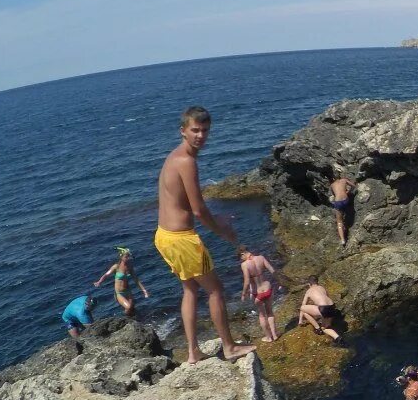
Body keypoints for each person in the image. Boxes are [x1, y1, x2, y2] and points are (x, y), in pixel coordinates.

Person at [154, 107, 254, 364]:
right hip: (181, 239)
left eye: (205, 130)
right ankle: (230, 347)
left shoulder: (173, 157)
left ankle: (193, 352)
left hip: (164, 236)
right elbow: (198, 210)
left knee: (190, 289)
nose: (200, 135)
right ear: (183, 131)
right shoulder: (187, 161)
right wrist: (224, 232)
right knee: (216, 291)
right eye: (195, 130)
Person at [239, 245, 284, 342]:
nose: (241, 259)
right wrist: (279, 282)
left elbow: (247, 281)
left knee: (262, 315)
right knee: (270, 312)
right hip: (267, 289)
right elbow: (273, 271)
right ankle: (275, 335)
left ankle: (268, 337)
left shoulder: (244, 265)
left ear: (243, 254)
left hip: (257, 293)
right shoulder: (261, 258)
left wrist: (243, 294)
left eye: (240, 257)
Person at [94, 246, 149, 317]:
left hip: (128, 291)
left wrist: (144, 290)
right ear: (121, 257)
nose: (128, 258)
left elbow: (136, 280)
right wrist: (99, 282)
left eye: (128, 256)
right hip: (119, 293)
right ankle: (125, 320)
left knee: (132, 309)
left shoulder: (129, 267)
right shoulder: (116, 267)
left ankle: (132, 321)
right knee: (129, 307)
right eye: (126, 256)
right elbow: (106, 275)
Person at [299, 276, 343, 341]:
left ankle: (317, 328)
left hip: (324, 309)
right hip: (332, 307)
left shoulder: (308, 291)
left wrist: (300, 321)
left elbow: (303, 305)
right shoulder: (322, 288)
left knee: (303, 309)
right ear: (317, 282)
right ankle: (338, 337)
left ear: (309, 284)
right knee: (325, 328)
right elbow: (326, 298)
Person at [330, 173, 357, 245]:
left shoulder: (332, 185)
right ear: (339, 177)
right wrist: (348, 192)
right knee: (346, 211)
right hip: (346, 200)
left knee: (339, 221)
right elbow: (354, 186)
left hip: (338, 202)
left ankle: (342, 240)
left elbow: (334, 194)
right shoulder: (344, 180)